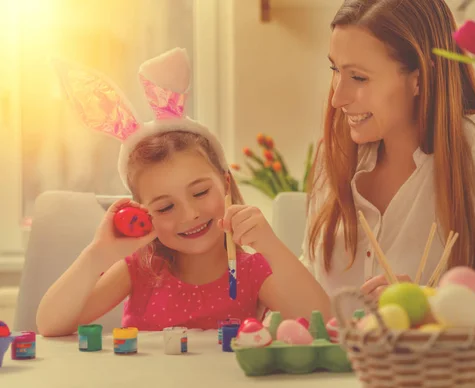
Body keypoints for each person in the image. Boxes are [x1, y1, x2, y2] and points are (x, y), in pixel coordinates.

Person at [36, 48, 330, 337]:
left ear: (225, 184)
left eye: (200, 192)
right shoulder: (142, 268)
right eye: (165, 208)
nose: (190, 214)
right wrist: (97, 256)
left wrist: (271, 246)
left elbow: (324, 323)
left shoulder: (250, 271)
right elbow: (50, 324)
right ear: (142, 213)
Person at [300, 0, 475, 319]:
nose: (338, 98)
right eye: (335, 70)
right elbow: (312, 289)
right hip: (335, 369)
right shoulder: (337, 151)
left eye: (359, 78)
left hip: (440, 369)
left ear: (419, 78)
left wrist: (432, 304)